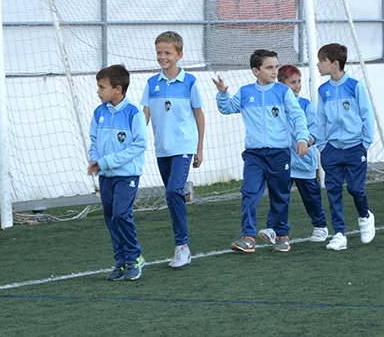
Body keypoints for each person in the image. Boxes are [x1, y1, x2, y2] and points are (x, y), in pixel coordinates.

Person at [215, 49, 308, 254]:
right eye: (269, 68)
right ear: (256, 71)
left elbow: (298, 116)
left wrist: (302, 138)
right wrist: (223, 94)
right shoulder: (246, 92)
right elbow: (227, 108)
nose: (275, 71)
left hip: (279, 154)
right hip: (254, 155)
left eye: (276, 67)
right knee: (249, 193)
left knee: (279, 195)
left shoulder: (283, 92)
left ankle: (282, 236)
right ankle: (248, 237)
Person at [138, 31, 204, 268]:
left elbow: (199, 114)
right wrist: (135, 136)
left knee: (174, 190)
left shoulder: (189, 82)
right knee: (171, 194)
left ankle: (182, 246)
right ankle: (181, 243)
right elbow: (144, 113)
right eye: (159, 52)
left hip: (184, 147)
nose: (162, 57)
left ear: (179, 55)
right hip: (162, 149)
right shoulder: (151, 84)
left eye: (167, 53)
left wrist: (199, 148)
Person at [87, 64, 147, 281]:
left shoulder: (134, 113)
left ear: (118, 89)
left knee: (122, 214)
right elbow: (93, 141)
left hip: (127, 175)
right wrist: (94, 160)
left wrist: (106, 162)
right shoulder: (99, 112)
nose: (98, 91)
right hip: (105, 176)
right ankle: (120, 262)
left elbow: (139, 145)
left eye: (102, 87)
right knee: (111, 218)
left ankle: (134, 258)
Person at [315, 43, 377, 251]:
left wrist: (365, 142)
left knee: (355, 188)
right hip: (331, 149)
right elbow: (321, 119)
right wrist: (322, 145)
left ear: (334, 63)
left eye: (321, 61)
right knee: (332, 191)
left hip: (355, 147)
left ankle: (365, 216)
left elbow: (367, 115)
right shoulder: (323, 90)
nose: (317, 65)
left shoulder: (355, 86)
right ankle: (339, 234)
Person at [263, 65, 328, 244]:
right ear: (282, 84)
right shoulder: (275, 104)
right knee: (279, 196)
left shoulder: (306, 105)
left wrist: (307, 140)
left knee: (311, 197)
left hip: (303, 160)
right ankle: (273, 229)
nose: (297, 86)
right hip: (281, 160)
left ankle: (320, 226)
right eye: (293, 82)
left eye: (299, 82)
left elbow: (315, 127)